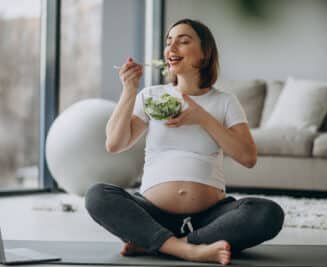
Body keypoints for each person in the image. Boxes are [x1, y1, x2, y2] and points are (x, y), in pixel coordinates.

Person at [85, 18, 284, 265]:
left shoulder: (224, 101)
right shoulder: (152, 96)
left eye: (183, 41)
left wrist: (202, 118)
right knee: (97, 195)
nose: (172, 48)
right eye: (169, 42)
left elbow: (248, 157)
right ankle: (188, 249)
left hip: (210, 217)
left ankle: (158, 243)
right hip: (154, 213)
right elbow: (114, 144)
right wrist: (129, 89)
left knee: (268, 213)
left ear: (204, 54)